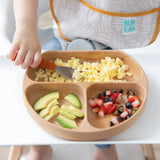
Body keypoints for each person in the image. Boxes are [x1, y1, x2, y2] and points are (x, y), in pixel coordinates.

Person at [7, 0, 159, 160]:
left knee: (103, 120)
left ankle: (105, 150)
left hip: (130, 48)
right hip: (68, 39)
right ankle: (39, 149)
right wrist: (26, 27)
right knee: (31, 96)